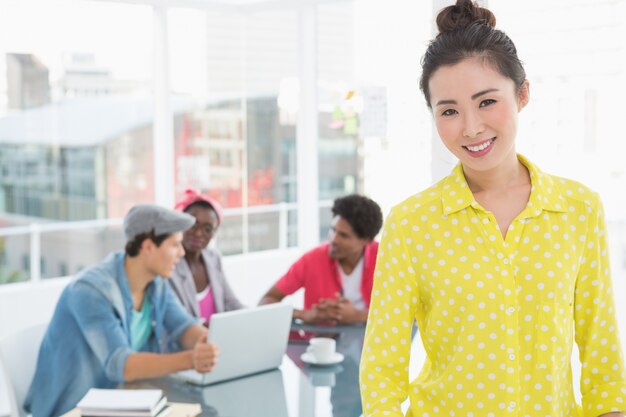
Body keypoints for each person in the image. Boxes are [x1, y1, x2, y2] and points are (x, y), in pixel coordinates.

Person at [359, 2, 626, 417]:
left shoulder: (578, 210)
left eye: (486, 102)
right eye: (448, 110)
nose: (470, 127)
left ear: (522, 94)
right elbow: (382, 366)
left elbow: (600, 347)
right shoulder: (411, 223)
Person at [25, 204, 220, 417]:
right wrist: (192, 359)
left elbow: (184, 327)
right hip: (72, 409)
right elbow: (122, 365)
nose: (182, 253)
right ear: (148, 247)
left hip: (124, 404)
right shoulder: (90, 290)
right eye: (175, 245)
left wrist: (209, 342)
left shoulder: (157, 284)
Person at [259, 194, 383, 325]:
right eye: (333, 230)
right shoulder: (311, 260)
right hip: (320, 341)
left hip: (372, 342)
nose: (334, 239)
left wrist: (358, 315)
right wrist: (303, 314)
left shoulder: (384, 259)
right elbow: (266, 300)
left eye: (344, 235)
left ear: (366, 240)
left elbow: (403, 308)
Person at [169, 189, 243, 326]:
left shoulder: (214, 258)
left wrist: (252, 316)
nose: (198, 233)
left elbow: (231, 303)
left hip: (218, 342)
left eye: (207, 229)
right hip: (188, 346)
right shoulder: (168, 265)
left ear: (214, 232)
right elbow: (175, 321)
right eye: (193, 225)